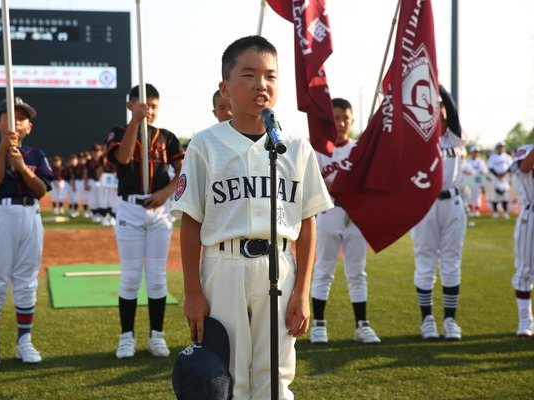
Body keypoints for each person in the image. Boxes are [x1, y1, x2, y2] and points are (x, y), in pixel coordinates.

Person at [171, 35, 333, 399]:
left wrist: (303, 291)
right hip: (224, 265)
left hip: (280, 264)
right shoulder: (205, 143)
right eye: (248, 74)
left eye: (271, 76)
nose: (261, 84)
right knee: (228, 373)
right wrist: (192, 291)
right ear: (224, 88)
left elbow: (307, 221)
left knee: (276, 374)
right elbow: (190, 220)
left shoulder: (295, 146)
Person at [0, 97, 54, 366]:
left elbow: (41, 190)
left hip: (30, 214)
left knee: (27, 280)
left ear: (29, 126)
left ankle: (24, 341)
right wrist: (3, 151)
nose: (15, 122)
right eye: (9, 116)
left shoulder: (36, 154)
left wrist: (20, 167)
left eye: (21, 117)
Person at [106, 83, 185, 359]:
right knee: (129, 277)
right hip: (130, 208)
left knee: (156, 278)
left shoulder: (167, 137)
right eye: (143, 105)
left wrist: (165, 192)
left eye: (153, 106)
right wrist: (135, 122)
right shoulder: (118, 132)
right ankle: (126, 336)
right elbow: (124, 157)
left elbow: (184, 172)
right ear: (130, 105)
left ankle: (157, 336)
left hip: (159, 211)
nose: (149, 110)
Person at [309, 98, 381, 345]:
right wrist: (341, 186)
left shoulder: (359, 149)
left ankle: (362, 325)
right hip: (328, 213)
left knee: (357, 272)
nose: (340, 123)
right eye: (336, 117)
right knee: (323, 270)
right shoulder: (319, 149)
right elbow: (316, 183)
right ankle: (319, 324)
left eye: (345, 118)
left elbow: (369, 180)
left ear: (352, 121)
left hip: (355, 216)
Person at [411, 86, 466, 341]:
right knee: (425, 263)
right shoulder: (421, 140)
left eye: (443, 116)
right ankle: (427, 321)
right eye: (436, 116)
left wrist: (439, 87)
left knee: (451, 263)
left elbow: (453, 112)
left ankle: (450, 321)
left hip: (452, 204)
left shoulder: (455, 137)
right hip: (425, 204)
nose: (441, 119)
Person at [509, 144, 534, 337]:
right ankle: (525, 319)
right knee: (525, 270)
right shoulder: (525, 149)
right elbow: (524, 168)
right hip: (531, 216)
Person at [487, 141, 513, 219]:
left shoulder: (507, 157)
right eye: (499, 147)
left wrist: (503, 175)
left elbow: (511, 166)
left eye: (502, 147)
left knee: (505, 195)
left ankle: (505, 212)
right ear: (496, 148)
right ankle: (495, 212)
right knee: (495, 195)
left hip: (505, 177)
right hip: (495, 177)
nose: (500, 149)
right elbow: (490, 168)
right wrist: (498, 175)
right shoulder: (493, 157)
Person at [465, 146, 488, 217]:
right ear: (471, 153)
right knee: (469, 195)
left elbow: (484, 171)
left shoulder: (480, 162)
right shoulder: (467, 161)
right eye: (474, 152)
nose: (475, 154)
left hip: (478, 179)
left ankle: (477, 210)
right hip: (470, 180)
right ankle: (470, 210)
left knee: (478, 196)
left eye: (477, 152)